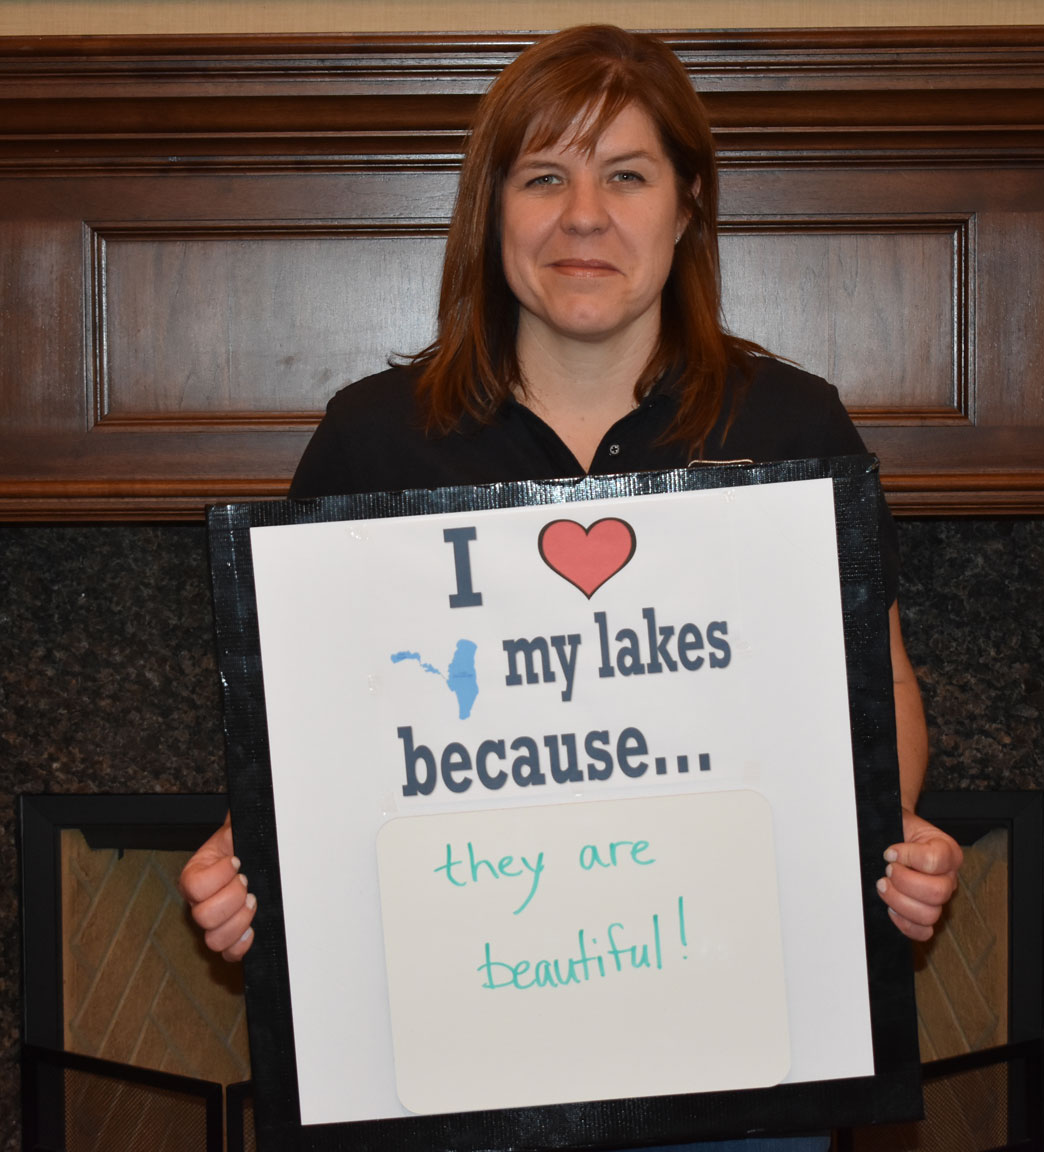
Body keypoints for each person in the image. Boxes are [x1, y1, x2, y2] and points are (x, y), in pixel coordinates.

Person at [180, 25, 963, 1152]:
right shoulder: (372, 439)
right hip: (461, 1047)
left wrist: (889, 835)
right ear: (491, 210)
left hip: (730, 1039)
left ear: (686, 206)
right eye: (543, 177)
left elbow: (873, 686)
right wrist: (244, 852)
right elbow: (315, 731)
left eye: (626, 176)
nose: (583, 217)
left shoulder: (792, 427)